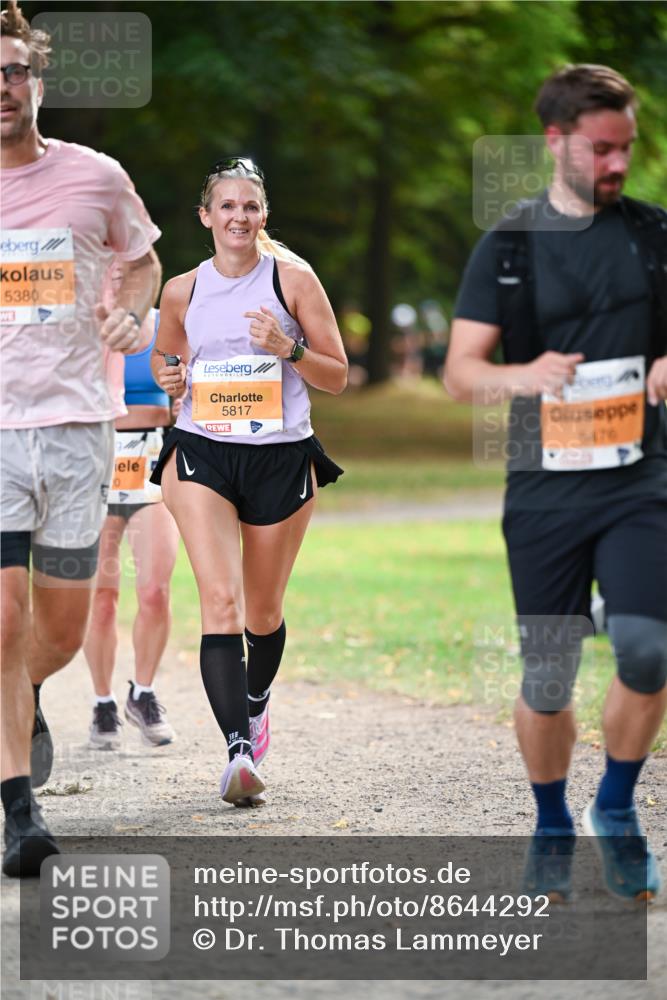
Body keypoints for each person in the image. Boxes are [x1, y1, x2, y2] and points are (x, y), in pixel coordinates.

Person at [444, 64, 666, 902]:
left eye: (626, 149)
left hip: (640, 476)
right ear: (555, 141)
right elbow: (463, 374)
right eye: (600, 149)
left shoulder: (653, 234)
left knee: (648, 650)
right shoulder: (507, 245)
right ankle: (549, 821)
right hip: (542, 488)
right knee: (546, 673)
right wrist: (524, 372)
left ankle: (614, 805)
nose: (616, 165)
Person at [0, 1, 161, 876]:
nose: (2, 86)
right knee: (1, 615)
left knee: (57, 630)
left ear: (38, 80)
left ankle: (21, 697)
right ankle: (19, 812)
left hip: (73, 427)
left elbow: (140, 258)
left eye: (14, 69)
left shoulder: (95, 177)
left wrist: (131, 311)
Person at [149, 157, 347, 807]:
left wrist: (286, 348)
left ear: (263, 217)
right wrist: (170, 378)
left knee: (262, 614)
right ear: (206, 216)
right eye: (226, 206)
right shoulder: (181, 288)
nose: (239, 217)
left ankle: (255, 702)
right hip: (202, 450)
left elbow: (338, 375)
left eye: (250, 207)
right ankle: (238, 755)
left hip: (280, 457)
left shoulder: (293, 281)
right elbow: (166, 355)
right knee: (222, 605)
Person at [84, 308, 179, 751]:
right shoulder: (84, 323)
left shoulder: (168, 323)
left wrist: (183, 403)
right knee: (102, 599)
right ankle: (102, 703)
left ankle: (143, 694)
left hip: (153, 467)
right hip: (97, 466)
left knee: (155, 591)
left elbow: (194, 387)